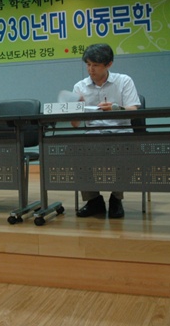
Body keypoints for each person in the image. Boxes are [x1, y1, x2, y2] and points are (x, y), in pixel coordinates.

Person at [71, 43, 141, 219]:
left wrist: (115, 108)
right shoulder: (79, 86)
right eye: (88, 64)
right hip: (93, 134)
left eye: (95, 65)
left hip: (120, 133)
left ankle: (116, 199)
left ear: (109, 64)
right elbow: (75, 124)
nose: (90, 69)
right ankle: (94, 200)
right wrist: (75, 108)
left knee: (123, 154)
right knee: (77, 153)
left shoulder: (124, 81)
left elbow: (134, 111)